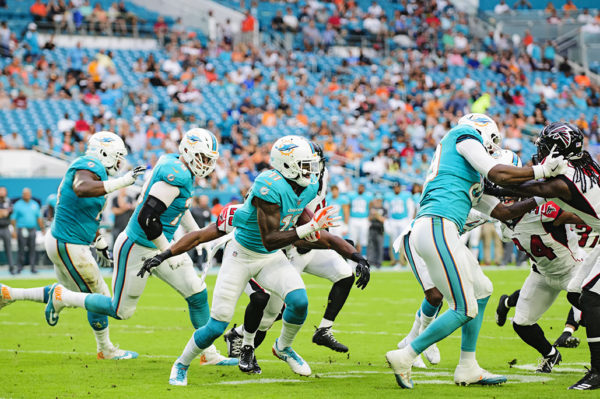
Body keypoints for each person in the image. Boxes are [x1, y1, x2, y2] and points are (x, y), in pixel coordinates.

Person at [385, 113, 568, 389]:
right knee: (464, 307)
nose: (493, 148)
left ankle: (468, 366)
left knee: (482, 289)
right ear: (483, 132)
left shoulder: (469, 175)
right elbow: (496, 173)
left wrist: (543, 194)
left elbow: (504, 210)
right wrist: (542, 172)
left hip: (441, 229)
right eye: (493, 141)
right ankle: (407, 353)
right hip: (437, 224)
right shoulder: (462, 135)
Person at [151, 135, 343, 385]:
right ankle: (182, 363)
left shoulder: (301, 188)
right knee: (217, 324)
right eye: (304, 165)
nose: (311, 171)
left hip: (270, 257)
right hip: (241, 257)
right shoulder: (247, 206)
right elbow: (202, 236)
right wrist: (164, 254)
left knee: (299, 301)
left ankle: (283, 348)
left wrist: (341, 246)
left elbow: (301, 223)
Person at [42, 129, 236, 367]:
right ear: (188, 151)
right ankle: (63, 297)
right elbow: (147, 219)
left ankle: (208, 353)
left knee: (197, 293)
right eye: (203, 157)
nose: (206, 164)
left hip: (161, 245)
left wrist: (199, 237)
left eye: (209, 159)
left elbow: (179, 207)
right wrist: (169, 251)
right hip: (138, 246)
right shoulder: (176, 173)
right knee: (121, 310)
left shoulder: (177, 166)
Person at [0, 131, 144, 359]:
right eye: (117, 156)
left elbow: (86, 212)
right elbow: (81, 188)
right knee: (102, 299)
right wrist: (123, 182)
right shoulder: (89, 165)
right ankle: (105, 349)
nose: (119, 162)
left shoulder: (95, 171)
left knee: (72, 295)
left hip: (66, 240)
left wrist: (98, 241)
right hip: (69, 243)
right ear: (104, 152)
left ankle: (10, 293)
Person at [394, 149, 541, 371]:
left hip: (444, 239)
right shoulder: (473, 188)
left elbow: (506, 228)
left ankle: (415, 342)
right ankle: (418, 343)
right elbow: (503, 214)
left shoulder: (486, 193)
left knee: (456, 293)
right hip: (423, 235)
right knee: (438, 295)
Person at [485, 122, 600, 390]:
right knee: (576, 294)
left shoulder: (561, 183)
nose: (542, 150)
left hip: (573, 257)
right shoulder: (581, 162)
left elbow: (525, 188)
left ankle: (598, 373)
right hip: (549, 269)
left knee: (592, 298)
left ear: (560, 148)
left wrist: (490, 187)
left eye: (547, 146)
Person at [493, 198, 584, 373]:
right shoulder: (503, 225)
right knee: (521, 322)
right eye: (503, 200)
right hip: (542, 274)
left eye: (510, 200)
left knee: (590, 313)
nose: (506, 204)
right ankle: (550, 354)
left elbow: (580, 216)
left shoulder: (544, 210)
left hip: (574, 270)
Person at [10, 188, 44, 273]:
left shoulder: (34, 204)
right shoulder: (18, 204)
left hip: (32, 229)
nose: (26, 195)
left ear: (30, 194)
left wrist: (42, 228)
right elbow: (13, 219)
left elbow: (39, 217)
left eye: (28, 193)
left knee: (32, 249)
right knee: (21, 249)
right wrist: (14, 231)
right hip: (22, 229)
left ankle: (33, 267)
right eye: (25, 193)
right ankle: (19, 268)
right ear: (22, 195)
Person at [384, 183, 415, 266]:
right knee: (393, 241)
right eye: (395, 187)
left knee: (403, 240)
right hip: (393, 220)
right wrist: (388, 221)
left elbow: (411, 208)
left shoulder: (406, 196)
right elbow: (386, 210)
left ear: (400, 188)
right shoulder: (389, 196)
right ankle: (394, 260)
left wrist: (409, 220)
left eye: (397, 187)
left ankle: (402, 260)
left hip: (403, 220)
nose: (396, 189)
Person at [347, 183, 373, 253]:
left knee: (363, 239)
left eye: (362, 187)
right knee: (352, 238)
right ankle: (351, 257)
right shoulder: (352, 195)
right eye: (359, 187)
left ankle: (363, 257)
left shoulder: (368, 196)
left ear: (364, 188)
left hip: (364, 219)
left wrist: (369, 217)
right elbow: (348, 207)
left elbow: (371, 207)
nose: (360, 189)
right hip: (353, 218)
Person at [367, 194, 386, 268]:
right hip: (372, 228)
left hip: (380, 229)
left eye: (379, 201)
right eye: (377, 200)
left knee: (379, 246)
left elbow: (384, 220)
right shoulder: (372, 208)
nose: (378, 202)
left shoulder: (384, 209)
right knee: (371, 246)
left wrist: (376, 215)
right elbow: (369, 218)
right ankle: (370, 262)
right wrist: (373, 215)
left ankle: (378, 263)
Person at [0, 186, 14, 274]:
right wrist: (3, 212)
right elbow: (3, 213)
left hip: (5, 228)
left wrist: (4, 212)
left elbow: (9, 211)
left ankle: (11, 268)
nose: (1, 192)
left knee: (8, 248)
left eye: (3, 191)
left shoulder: (8, 201)